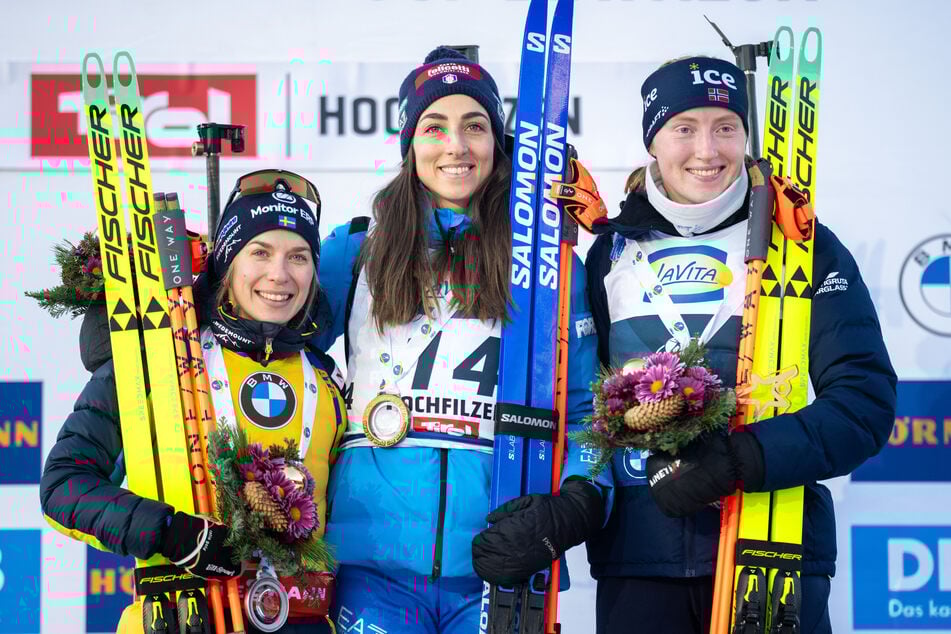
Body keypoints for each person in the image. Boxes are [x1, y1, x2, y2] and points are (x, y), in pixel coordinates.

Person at [471, 56, 897, 633]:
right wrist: (572, 506)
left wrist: (739, 459)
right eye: (684, 128)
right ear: (653, 141)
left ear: (747, 136)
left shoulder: (801, 245)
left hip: (772, 546)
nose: (707, 150)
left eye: (726, 127)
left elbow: (862, 404)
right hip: (639, 556)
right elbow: (581, 411)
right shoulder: (609, 258)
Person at [312, 46, 599, 634]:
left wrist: (576, 504)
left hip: (504, 562)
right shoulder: (355, 251)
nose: (456, 146)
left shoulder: (548, 265)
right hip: (374, 566)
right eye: (434, 127)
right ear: (409, 143)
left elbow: (591, 411)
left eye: (475, 126)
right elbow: (261, 326)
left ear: (497, 141)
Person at [39, 173, 346, 634]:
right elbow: (63, 486)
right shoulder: (159, 359)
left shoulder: (329, 380)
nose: (279, 274)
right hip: (183, 618)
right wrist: (175, 533)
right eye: (259, 252)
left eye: (298, 257)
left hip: (298, 620)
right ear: (227, 261)